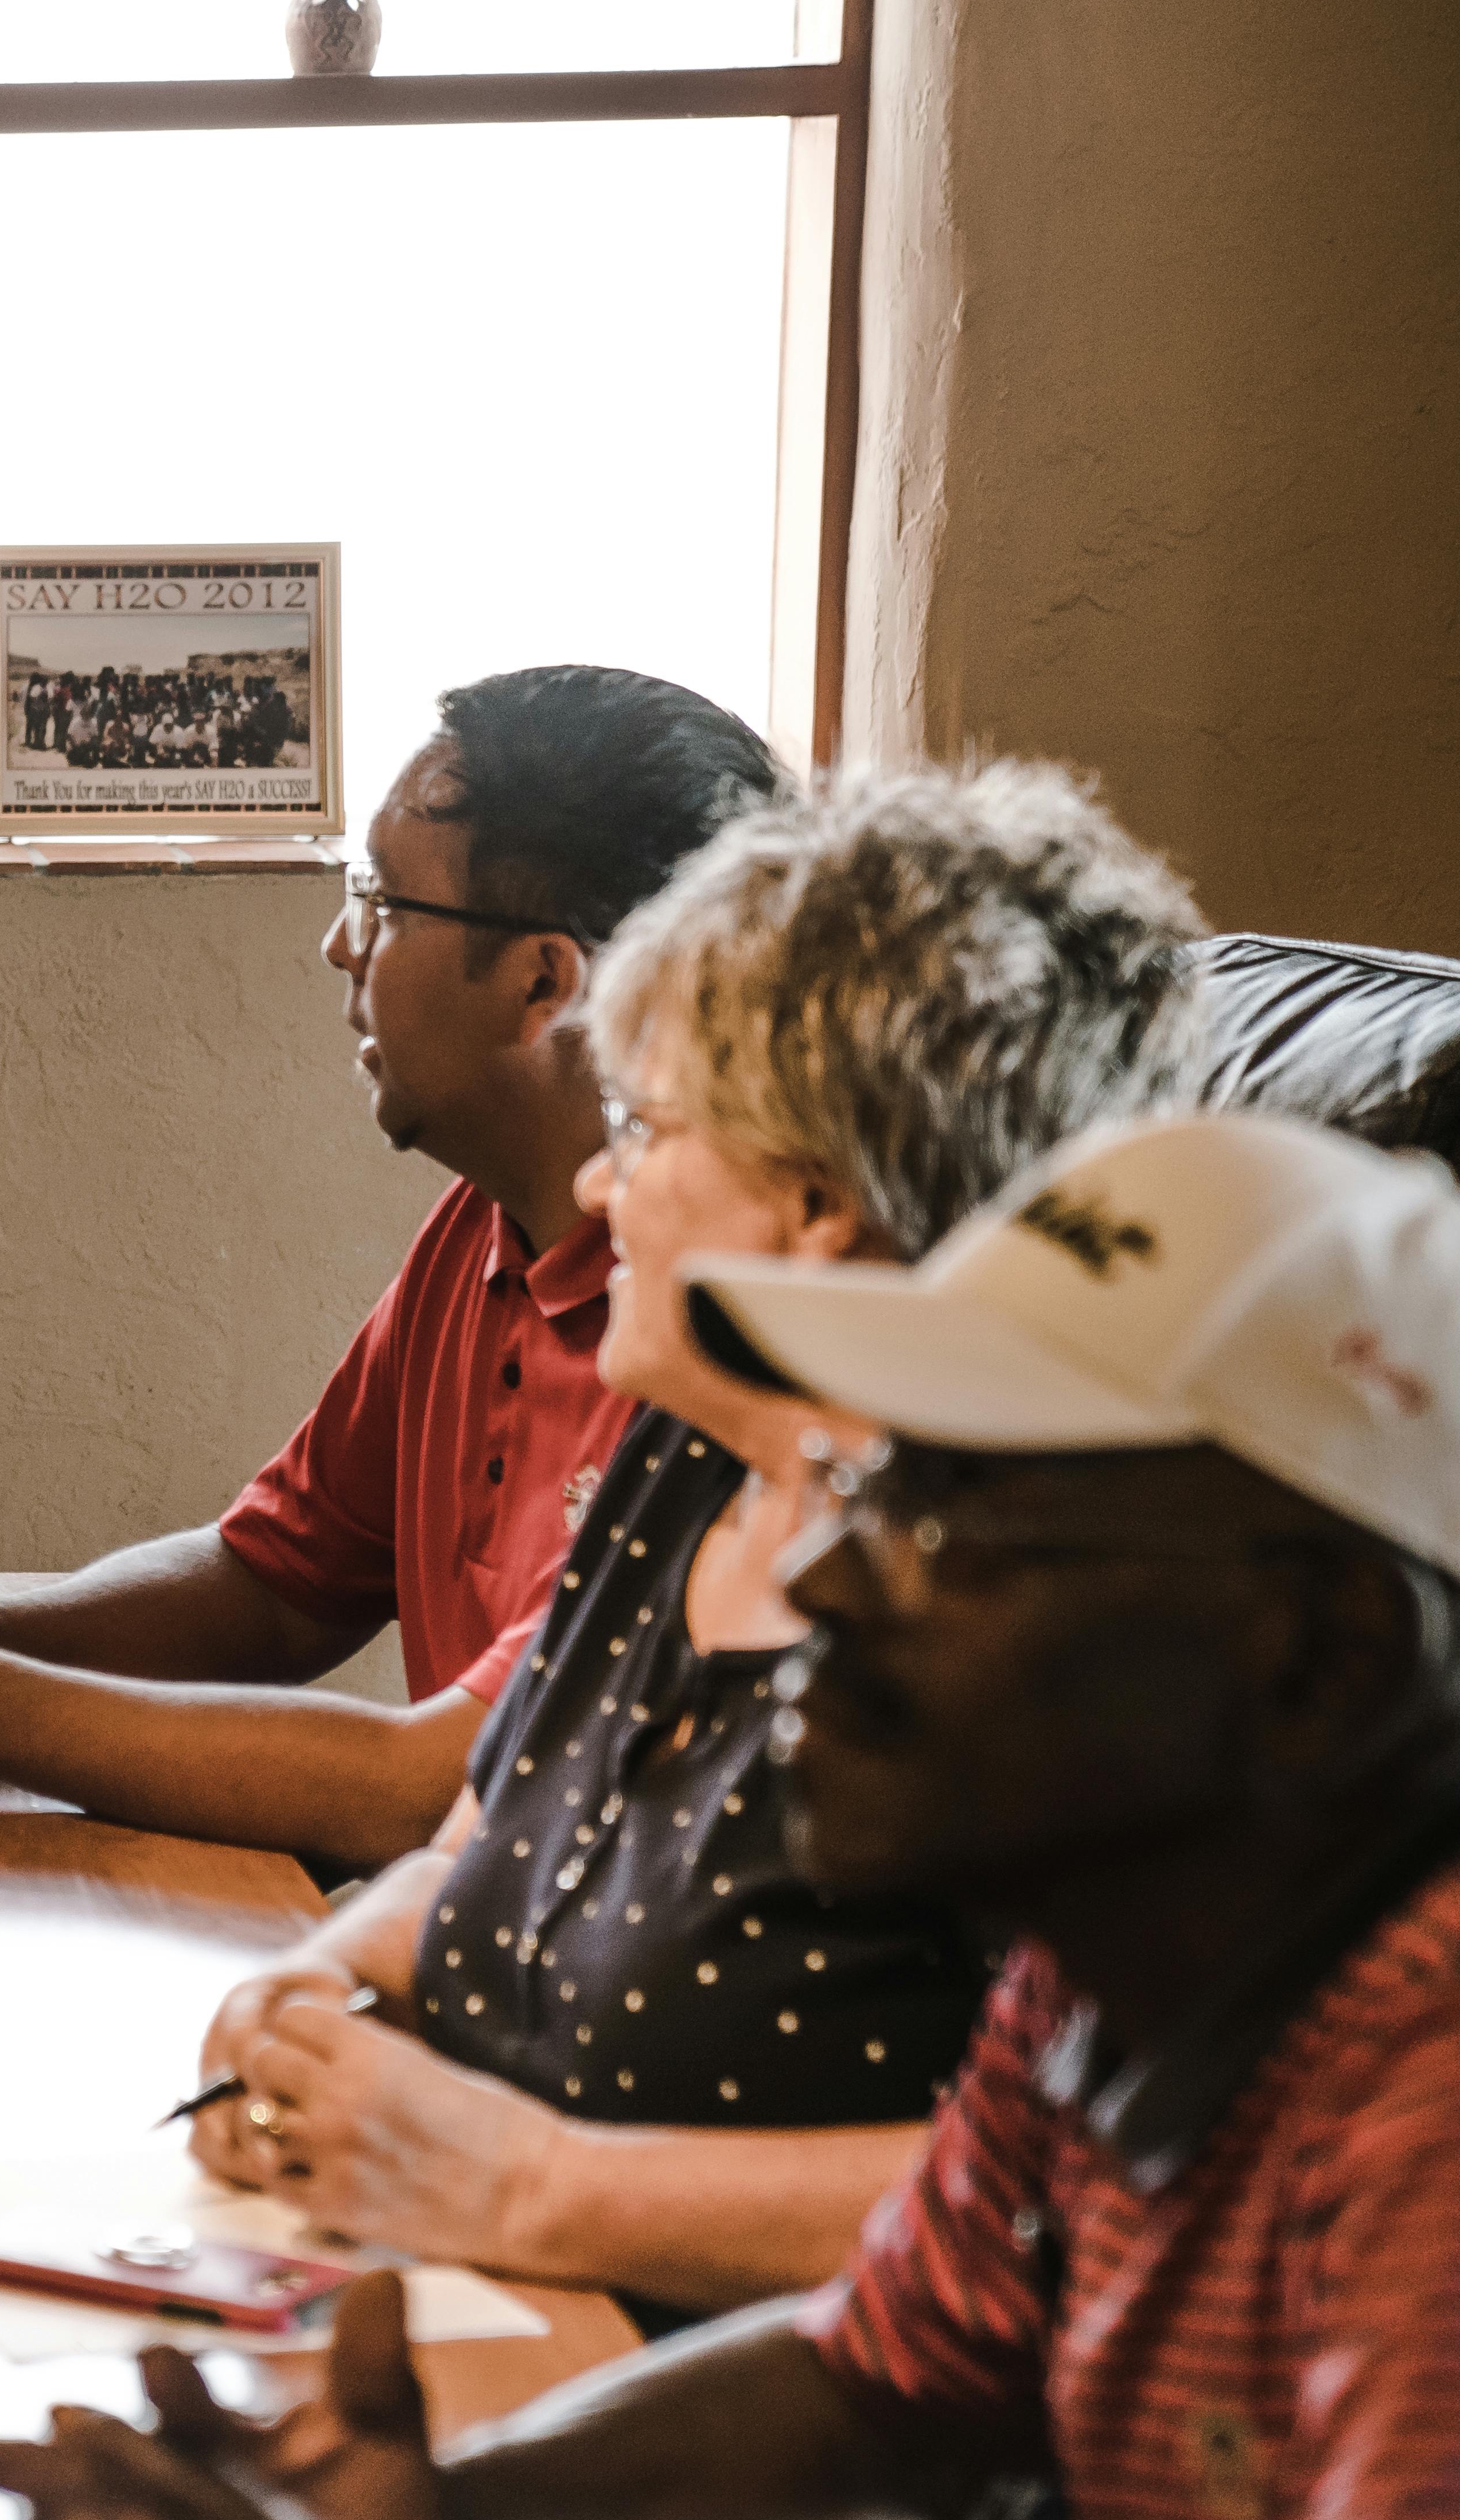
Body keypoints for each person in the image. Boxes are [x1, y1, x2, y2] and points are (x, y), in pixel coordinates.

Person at [0, 1109, 1460, 2520]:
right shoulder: (1114, 1975)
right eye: (868, 1473)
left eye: (954, 1517)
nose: (832, 1577)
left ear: (1322, 1657)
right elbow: (879, 2385)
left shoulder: (1427, 2130)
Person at [172, 763, 1204, 2326]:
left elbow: (1087, 2189)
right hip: (481, 2310)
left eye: (648, 1126)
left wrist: (528, 2181)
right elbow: (482, 1837)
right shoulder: (685, 1461)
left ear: (820, 1206)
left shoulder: (1025, 1614)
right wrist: (326, 1988)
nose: (599, 1179)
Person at [0, 667, 781, 1869]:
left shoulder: (708, 1320)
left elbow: (434, 1789)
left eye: (386, 901)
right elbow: (273, 1591)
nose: (337, 943)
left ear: (541, 983)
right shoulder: (479, 1230)